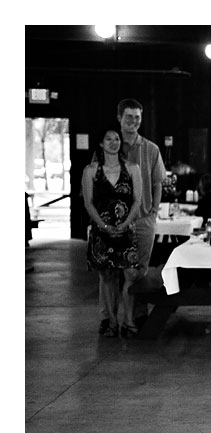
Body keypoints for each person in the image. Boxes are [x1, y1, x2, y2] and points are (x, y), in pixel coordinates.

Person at [82, 125, 143, 338]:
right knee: (107, 275)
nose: (114, 142)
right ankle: (112, 321)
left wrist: (125, 223)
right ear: (101, 143)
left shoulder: (132, 168)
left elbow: (137, 200)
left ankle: (129, 320)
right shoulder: (91, 171)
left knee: (131, 274)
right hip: (102, 229)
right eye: (108, 139)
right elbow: (88, 203)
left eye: (116, 139)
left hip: (126, 227)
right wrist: (104, 226)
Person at [117, 99, 167, 326]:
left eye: (137, 117)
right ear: (119, 117)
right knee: (114, 274)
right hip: (116, 222)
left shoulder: (151, 149)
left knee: (140, 271)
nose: (134, 121)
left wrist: (154, 212)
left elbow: (158, 183)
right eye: (129, 117)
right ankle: (111, 318)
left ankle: (138, 316)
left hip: (144, 219)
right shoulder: (109, 147)